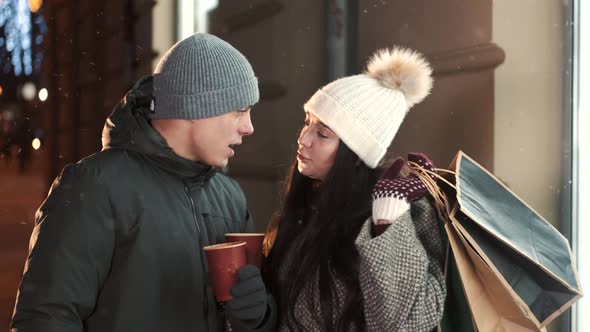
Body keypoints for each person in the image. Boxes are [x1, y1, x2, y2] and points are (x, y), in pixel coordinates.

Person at [11, 33, 275, 332]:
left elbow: (250, 316)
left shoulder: (230, 198)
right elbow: (46, 318)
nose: (249, 127)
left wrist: (258, 317)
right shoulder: (94, 188)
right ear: (195, 107)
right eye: (240, 111)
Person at [262, 47, 446, 331]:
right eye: (307, 122)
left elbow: (401, 324)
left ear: (356, 153)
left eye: (322, 133)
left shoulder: (401, 215)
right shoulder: (305, 209)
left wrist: (386, 222)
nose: (304, 139)